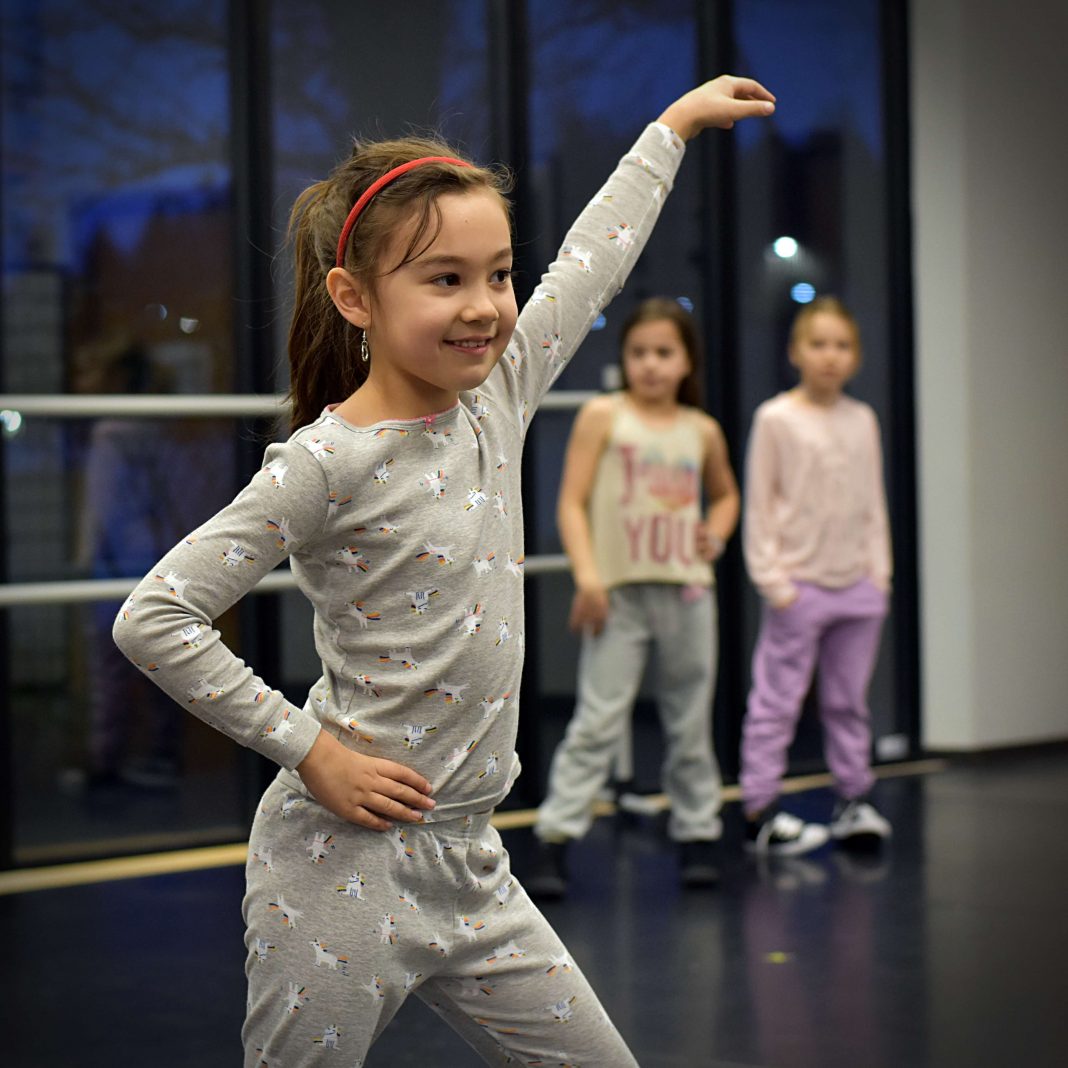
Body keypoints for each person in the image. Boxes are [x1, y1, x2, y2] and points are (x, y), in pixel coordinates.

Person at [114, 74, 775, 1066]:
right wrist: (309, 750)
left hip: (471, 862)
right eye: (445, 280)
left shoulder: (496, 400)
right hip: (341, 869)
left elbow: (591, 266)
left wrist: (671, 129)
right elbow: (155, 616)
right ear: (354, 299)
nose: (485, 308)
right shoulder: (324, 464)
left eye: (498, 275)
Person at [528, 297, 739, 899]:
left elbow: (726, 496)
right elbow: (571, 501)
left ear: (686, 361)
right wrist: (590, 577)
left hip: (689, 593)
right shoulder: (603, 415)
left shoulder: (701, 430)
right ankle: (556, 837)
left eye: (664, 353)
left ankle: (698, 832)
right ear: (624, 357)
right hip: (618, 594)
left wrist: (715, 533)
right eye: (639, 352)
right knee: (598, 718)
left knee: (689, 720)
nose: (650, 364)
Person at [739, 295, 893, 857]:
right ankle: (759, 807)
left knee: (849, 701)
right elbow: (760, 504)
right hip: (798, 588)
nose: (831, 355)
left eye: (842, 345)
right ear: (795, 351)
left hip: (857, 587)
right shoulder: (776, 418)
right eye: (819, 343)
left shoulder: (863, 420)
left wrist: (880, 576)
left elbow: (873, 502)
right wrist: (774, 582)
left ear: (855, 356)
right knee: (776, 703)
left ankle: (854, 798)